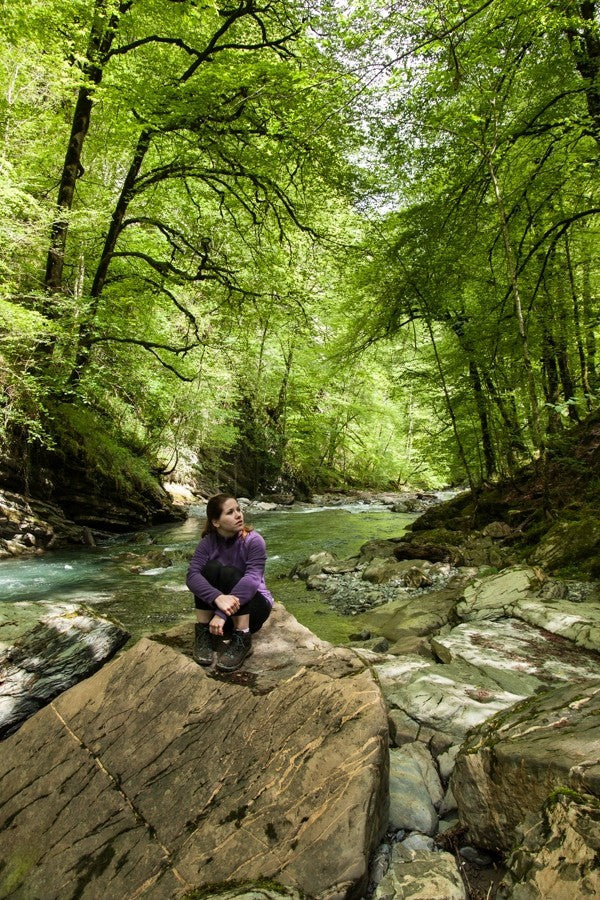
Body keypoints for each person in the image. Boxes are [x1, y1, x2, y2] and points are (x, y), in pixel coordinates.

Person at [186, 494, 274, 671]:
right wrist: (217, 597)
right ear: (216, 522)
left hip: (255, 609)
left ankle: (242, 637)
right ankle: (203, 632)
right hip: (221, 615)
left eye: (238, 510)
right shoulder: (207, 543)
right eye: (230, 512)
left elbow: (252, 580)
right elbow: (191, 576)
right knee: (209, 569)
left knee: (229, 572)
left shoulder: (254, 540)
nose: (238, 515)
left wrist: (221, 614)